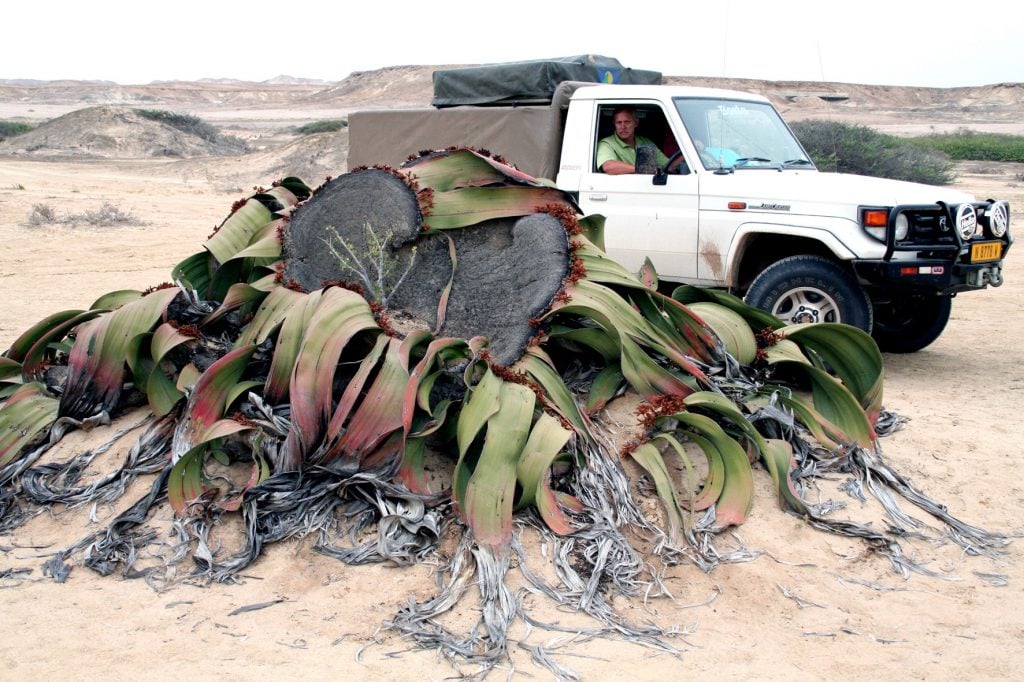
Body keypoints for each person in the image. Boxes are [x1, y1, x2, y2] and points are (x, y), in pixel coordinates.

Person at [596, 107, 680, 175]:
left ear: (636, 123)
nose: (623, 126)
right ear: (614, 124)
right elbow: (609, 166)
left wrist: (684, 155)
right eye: (619, 122)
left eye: (627, 122)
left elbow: (668, 166)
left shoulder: (645, 142)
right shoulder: (607, 143)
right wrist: (642, 169)